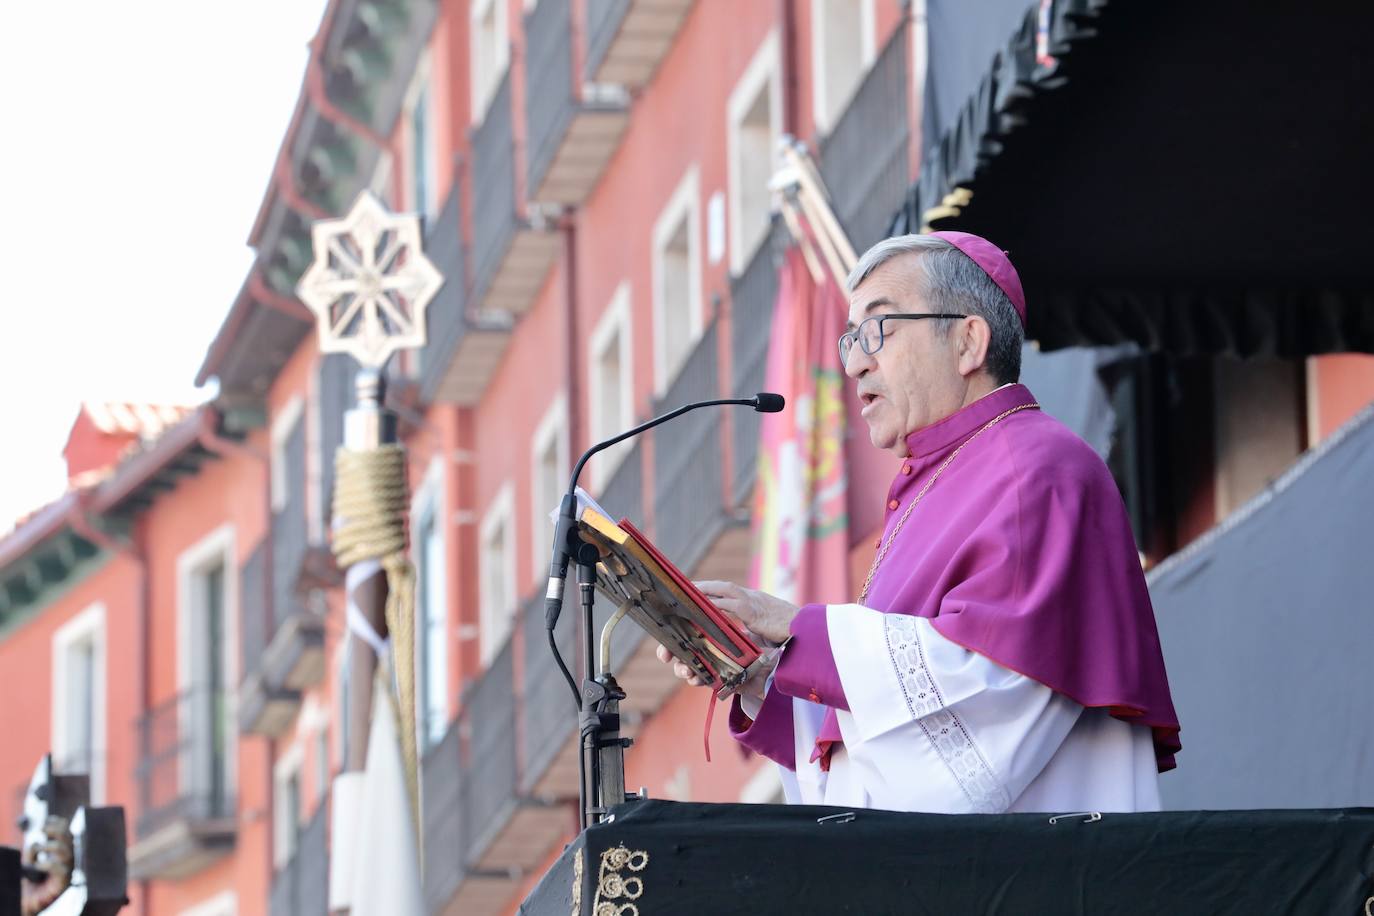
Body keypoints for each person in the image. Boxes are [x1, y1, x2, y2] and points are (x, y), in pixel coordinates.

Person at [657, 232, 1180, 813]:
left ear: (967, 341)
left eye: (878, 329)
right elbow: (889, 749)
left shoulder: (1038, 468)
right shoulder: (933, 481)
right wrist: (761, 675)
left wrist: (799, 629)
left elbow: (988, 709)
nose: (854, 363)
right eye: (849, 338)